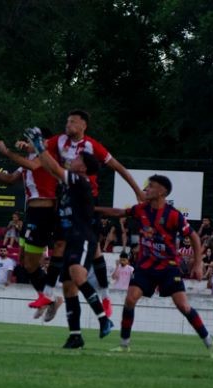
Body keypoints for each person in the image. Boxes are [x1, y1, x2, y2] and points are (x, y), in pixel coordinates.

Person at [36, 109, 146, 319]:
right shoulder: (59, 140)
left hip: (86, 200)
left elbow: (118, 167)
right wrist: (28, 146)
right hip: (66, 198)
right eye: (67, 121)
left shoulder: (92, 146)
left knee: (94, 248)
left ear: (83, 126)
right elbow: (41, 152)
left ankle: (105, 297)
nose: (68, 125)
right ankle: (47, 293)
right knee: (58, 244)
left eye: (72, 122)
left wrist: (137, 190)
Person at [95, 174, 213, 356]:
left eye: (151, 186)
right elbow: (118, 212)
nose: (147, 189)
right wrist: (92, 209)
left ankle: (210, 343)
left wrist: (198, 263)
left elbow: (194, 237)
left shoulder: (173, 215)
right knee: (130, 300)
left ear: (162, 192)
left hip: (168, 267)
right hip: (145, 266)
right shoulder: (141, 209)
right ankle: (124, 344)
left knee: (184, 306)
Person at [26, 126, 115, 348]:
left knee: (76, 274)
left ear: (83, 167)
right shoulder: (71, 181)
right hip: (70, 236)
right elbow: (52, 167)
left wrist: (38, 144)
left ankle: (104, 318)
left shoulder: (78, 180)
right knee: (68, 288)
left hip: (81, 236)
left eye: (77, 159)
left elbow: (54, 167)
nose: (73, 159)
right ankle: (75, 335)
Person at [0, 135, 63, 320]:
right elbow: (9, 179)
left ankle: (51, 297)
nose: (25, 143)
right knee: (24, 262)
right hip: (31, 214)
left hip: (45, 213)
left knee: (35, 261)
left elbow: (33, 166)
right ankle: (46, 297)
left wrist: (6, 151)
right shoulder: (25, 162)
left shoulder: (45, 158)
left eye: (30, 141)